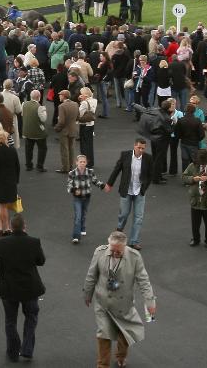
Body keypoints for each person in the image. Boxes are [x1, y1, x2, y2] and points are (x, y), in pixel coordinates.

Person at [83, 231, 156, 368]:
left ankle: (121, 356)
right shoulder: (99, 252)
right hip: (103, 303)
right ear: (108, 243)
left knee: (125, 335)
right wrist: (87, 293)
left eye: (119, 251)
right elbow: (91, 274)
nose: (115, 253)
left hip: (124, 305)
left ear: (125, 246)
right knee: (103, 334)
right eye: (113, 250)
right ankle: (102, 365)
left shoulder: (135, 257)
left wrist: (150, 302)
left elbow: (144, 281)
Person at [0, 213, 46, 363]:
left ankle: (13, 352)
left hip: (8, 288)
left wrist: (0, 276)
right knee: (31, 317)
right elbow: (41, 261)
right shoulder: (34, 242)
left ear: (11, 227)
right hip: (30, 288)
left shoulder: (1, 244)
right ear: (25, 226)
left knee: (10, 321)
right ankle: (27, 349)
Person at [104, 138, 152, 251]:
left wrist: (144, 187)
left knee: (138, 217)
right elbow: (117, 170)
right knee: (124, 214)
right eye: (139, 147)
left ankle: (133, 241)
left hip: (139, 191)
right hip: (126, 190)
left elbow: (150, 174)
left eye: (143, 148)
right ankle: (119, 228)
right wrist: (109, 184)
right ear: (134, 146)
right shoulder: (125, 155)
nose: (141, 150)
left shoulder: (148, 158)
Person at [182, 148, 207, 248]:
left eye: (204, 163)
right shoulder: (192, 166)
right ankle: (195, 239)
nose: (202, 165)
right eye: (201, 163)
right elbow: (184, 177)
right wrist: (193, 179)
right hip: (195, 200)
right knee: (195, 224)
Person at [68, 155, 104, 244]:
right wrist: (73, 190)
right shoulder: (72, 173)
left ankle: (82, 227)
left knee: (83, 214)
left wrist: (103, 185)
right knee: (78, 216)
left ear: (86, 163)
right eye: (80, 162)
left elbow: (95, 181)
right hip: (77, 198)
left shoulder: (90, 172)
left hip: (87, 197)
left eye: (84, 162)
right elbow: (69, 186)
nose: (82, 163)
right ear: (76, 162)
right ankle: (76, 236)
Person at [0, 129, 20, 236]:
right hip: (11, 182)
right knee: (5, 206)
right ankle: (2, 227)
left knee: (1, 206)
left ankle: (5, 228)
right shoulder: (12, 151)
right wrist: (16, 180)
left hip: (0, 183)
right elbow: (17, 167)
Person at [54, 90, 79, 173]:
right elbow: (78, 117)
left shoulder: (62, 106)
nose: (59, 96)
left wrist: (57, 128)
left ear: (64, 96)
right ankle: (71, 166)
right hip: (73, 129)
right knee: (71, 149)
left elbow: (61, 121)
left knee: (64, 149)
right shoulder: (75, 104)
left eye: (60, 95)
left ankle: (65, 168)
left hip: (64, 131)